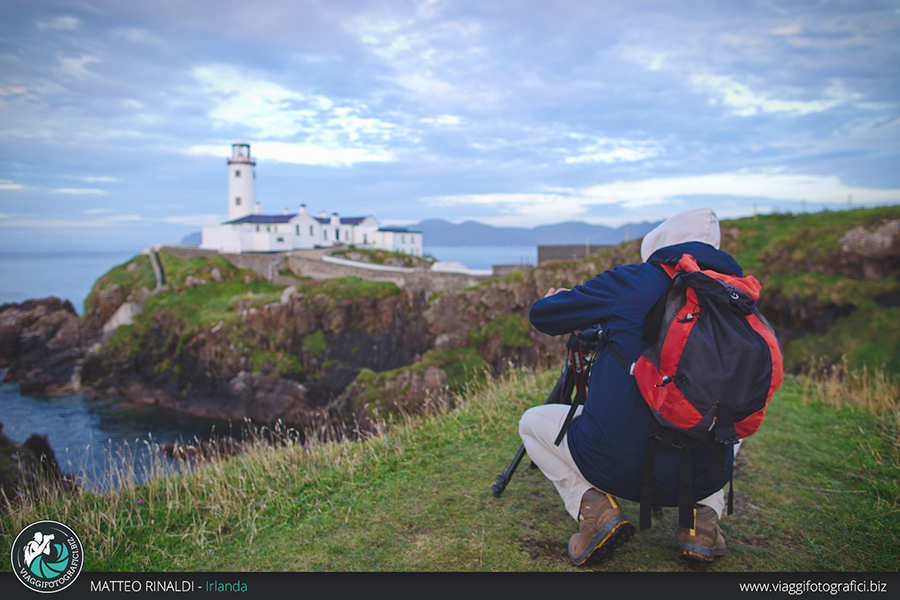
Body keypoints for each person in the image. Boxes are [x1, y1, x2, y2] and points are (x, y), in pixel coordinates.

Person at [519, 208, 738, 565]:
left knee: (531, 422)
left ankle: (594, 509)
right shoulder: (736, 298)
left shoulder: (632, 281)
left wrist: (555, 299)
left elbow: (544, 316)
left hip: (614, 466)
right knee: (730, 423)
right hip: (700, 475)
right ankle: (702, 522)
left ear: (663, 242)